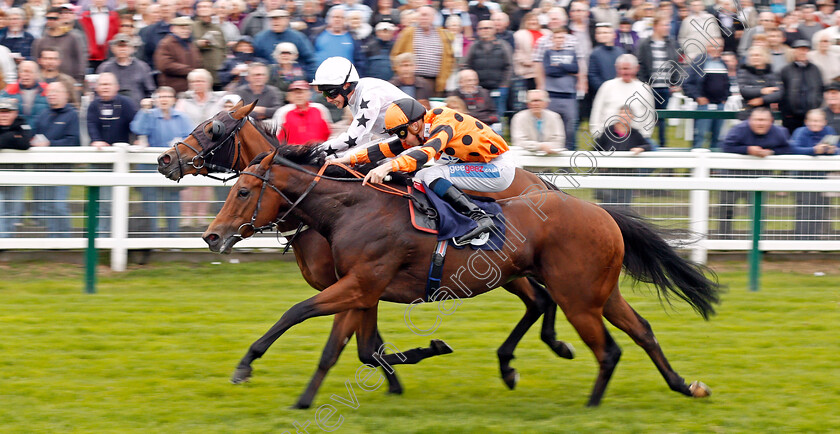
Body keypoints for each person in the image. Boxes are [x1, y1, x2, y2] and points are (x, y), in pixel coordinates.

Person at [333, 98, 513, 244]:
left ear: (415, 126)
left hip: (497, 168)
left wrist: (387, 166)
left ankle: (479, 218)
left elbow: (425, 153)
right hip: (483, 165)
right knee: (421, 176)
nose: (401, 139)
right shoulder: (424, 126)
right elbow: (384, 149)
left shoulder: (442, 123)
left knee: (431, 174)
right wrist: (346, 159)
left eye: (401, 133)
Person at [312, 56, 410, 156]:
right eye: (324, 94)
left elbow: (352, 139)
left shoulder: (369, 94)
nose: (328, 99)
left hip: (415, 142)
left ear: (346, 85)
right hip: (401, 142)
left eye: (331, 93)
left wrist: (314, 151)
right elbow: (362, 140)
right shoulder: (354, 97)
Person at [130, 86, 192, 235]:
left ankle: (173, 238)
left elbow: (190, 138)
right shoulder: (148, 114)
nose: (164, 99)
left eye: (167, 96)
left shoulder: (181, 117)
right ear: (155, 100)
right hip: (149, 166)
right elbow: (138, 129)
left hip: (174, 167)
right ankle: (152, 238)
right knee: (150, 204)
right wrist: (144, 110)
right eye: (160, 96)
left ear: (173, 100)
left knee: (172, 203)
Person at [87, 72, 138, 234]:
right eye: (102, 84)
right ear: (97, 88)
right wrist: (96, 139)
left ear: (116, 87)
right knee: (99, 199)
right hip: (99, 158)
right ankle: (101, 235)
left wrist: (136, 140)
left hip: (121, 160)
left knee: (115, 199)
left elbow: (135, 125)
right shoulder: (93, 106)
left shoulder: (126, 104)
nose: (105, 87)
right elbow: (91, 125)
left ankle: (115, 234)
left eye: (109, 84)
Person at [30, 82, 79, 237]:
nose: (52, 94)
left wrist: (50, 144)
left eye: (56, 91)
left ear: (66, 94)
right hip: (43, 167)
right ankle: (54, 239)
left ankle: (65, 239)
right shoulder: (43, 114)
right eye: (49, 91)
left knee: (58, 204)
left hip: (62, 167)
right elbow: (34, 135)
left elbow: (74, 141)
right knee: (48, 205)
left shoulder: (72, 115)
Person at [789, 109, 839, 237]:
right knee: (804, 208)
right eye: (812, 121)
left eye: (818, 121)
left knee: (821, 208)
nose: (814, 124)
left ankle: (818, 238)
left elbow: (837, 150)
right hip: (802, 176)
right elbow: (793, 149)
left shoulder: (829, 131)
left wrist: (831, 151)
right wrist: (813, 150)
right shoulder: (800, 132)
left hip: (823, 177)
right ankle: (802, 238)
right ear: (806, 122)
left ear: (824, 122)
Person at [593, 105, 651, 209]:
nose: (625, 116)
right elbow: (596, 150)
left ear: (632, 117)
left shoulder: (635, 133)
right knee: (609, 206)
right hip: (608, 175)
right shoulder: (608, 131)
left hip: (627, 174)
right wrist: (602, 165)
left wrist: (640, 148)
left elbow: (648, 145)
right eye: (623, 113)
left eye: (628, 114)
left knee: (624, 207)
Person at [390, 6, 456, 96]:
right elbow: (396, 55)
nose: (424, 18)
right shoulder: (407, 33)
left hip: (435, 82)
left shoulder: (443, 34)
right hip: (412, 82)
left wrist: (445, 78)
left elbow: (449, 58)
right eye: (421, 15)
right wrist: (401, 74)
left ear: (433, 18)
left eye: (426, 15)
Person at [636, 14, 679, 148]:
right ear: (655, 26)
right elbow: (640, 64)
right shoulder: (644, 43)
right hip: (649, 87)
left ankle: (662, 146)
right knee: (646, 117)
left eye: (668, 25)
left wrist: (675, 82)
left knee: (662, 118)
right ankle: (645, 142)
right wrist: (644, 82)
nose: (667, 27)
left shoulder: (671, 43)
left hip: (665, 87)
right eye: (664, 25)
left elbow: (675, 63)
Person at [589, 54, 654, 139]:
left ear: (636, 68)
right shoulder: (607, 86)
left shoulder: (644, 89)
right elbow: (596, 111)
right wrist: (597, 133)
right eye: (622, 69)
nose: (625, 72)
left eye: (628, 69)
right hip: (608, 138)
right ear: (617, 68)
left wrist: (645, 135)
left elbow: (650, 116)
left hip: (637, 139)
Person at [684, 37, 730, 148]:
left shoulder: (723, 63)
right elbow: (687, 83)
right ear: (707, 47)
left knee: (717, 138)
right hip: (704, 106)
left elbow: (727, 84)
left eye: (719, 46)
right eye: (713, 46)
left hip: (720, 106)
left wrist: (725, 98)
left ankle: (715, 165)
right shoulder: (699, 61)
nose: (717, 49)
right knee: (700, 136)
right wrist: (698, 97)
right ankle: (695, 164)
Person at [465, 19, 513, 120]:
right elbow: (467, 65)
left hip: (499, 87)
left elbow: (509, 66)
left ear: (494, 30)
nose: (485, 30)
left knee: (498, 116)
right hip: (478, 90)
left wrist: (504, 84)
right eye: (482, 28)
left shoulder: (503, 45)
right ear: (477, 31)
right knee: (478, 116)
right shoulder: (473, 46)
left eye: (488, 28)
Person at [540, 27, 578, 150]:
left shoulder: (571, 52)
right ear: (552, 39)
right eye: (556, 37)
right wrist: (566, 69)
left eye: (561, 37)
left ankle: (569, 157)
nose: (559, 40)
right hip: (552, 95)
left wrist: (559, 65)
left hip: (569, 95)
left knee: (570, 128)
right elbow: (549, 70)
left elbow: (575, 69)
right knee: (551, 127)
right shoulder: (548, 53)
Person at [0, 97, 32, 238]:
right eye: (1, 112)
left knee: (12, 210)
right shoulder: (17, 129)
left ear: (15, 113)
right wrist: (13, 137)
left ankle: (6, 242)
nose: (4, 115)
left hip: (16, 175)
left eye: (7, 111)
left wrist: (4, 139)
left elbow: (25, 143)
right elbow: (18, 140)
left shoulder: (22, 123)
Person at [253, 9, 317, 78]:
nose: (275, 22)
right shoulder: (261, 37)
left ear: (287, 20)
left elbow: (310, 60)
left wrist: (310, 79)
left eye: (279, 19)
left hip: (295, 79)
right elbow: (255, 58)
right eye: (273, 19)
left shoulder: (298, 37)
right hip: (270, 78)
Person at [96, 33, 155, 104]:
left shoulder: (142, 67)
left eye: (125, 46)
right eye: (119, 46)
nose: (122, 49)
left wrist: (147, 102)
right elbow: (97, 91)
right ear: (113, 49)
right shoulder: (105, 68)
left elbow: (150, 91)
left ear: (132, 49)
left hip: (137, 109)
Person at [32, 7, 87, 82]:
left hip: (69, 81)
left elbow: (81, 60)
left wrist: (79, 81)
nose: (51, 21)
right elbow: (36, 62)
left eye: (54, 18)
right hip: (46, 81)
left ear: (61, 19)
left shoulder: (73, 38)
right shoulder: (41, 41)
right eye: (48, 18)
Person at [779, 40, 824, 133]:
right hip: (791, 116)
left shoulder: (815, 69)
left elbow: (820, 88)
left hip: (811, 114)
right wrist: (786, 110)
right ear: (794, 52)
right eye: (800, 50)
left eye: (805, 50)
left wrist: (816, 104)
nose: (803, 52)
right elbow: (782, 91)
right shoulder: (786, 70)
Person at [272, 80, 331, 145]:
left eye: (301, 92)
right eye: (295, 93)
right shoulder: (282, 112)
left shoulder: (320, 109)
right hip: (291, 153)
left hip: (318, 152)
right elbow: (275, 137)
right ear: (289, 95)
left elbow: (329, 133)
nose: (298, 96)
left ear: (309, 94)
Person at [153, 16, 202, 94]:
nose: (186, 31)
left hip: (190, 89)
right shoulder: (166, 43)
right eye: (182, 28)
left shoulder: (190, 44)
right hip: (174, 89)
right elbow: (165, 65)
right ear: (173, 29)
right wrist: (190, 71)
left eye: (188, 28)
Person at [510, 89, 564, 154]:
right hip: (526, 157)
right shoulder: (519, 118)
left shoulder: (555, 117)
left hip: (551, 157)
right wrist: (540, 146)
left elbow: (559, 141)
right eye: (532, 101)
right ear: (528, 104)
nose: (536, 104)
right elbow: (518, 142)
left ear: (546, 103)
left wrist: (547, 147)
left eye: (539, 100)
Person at [192, 0, 226, 89]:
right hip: (200, 76)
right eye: (200, 7)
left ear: (213, 10)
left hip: (217, 75)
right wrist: (198, 44)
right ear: (196, 10)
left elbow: (224, 49)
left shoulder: (217, 28)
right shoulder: (192, 27)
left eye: (206, 6)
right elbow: (185, 47)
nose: (203, 9)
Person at [78, 0, 120, 70]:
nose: (99, 1)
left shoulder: (113, 15)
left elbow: (116, 33)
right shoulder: (85, 16)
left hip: (108, 53)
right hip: (91, 55)